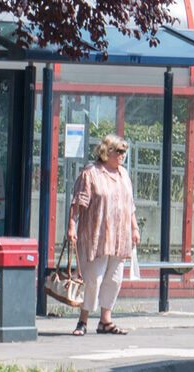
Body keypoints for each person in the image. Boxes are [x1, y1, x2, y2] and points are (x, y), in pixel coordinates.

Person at [67, 134, 137, 336]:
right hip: (96, 235)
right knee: (93, 278)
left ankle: (106, 321)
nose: (123, 155)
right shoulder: (90, 173)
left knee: (114, 279)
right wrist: (72, 226)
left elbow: (129, 205)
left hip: (119, 236)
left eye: (125, 151)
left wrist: (134, 228)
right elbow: (78, 202)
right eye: (119, 151)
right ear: (107, 152)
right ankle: (83, 320)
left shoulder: (123, 175)